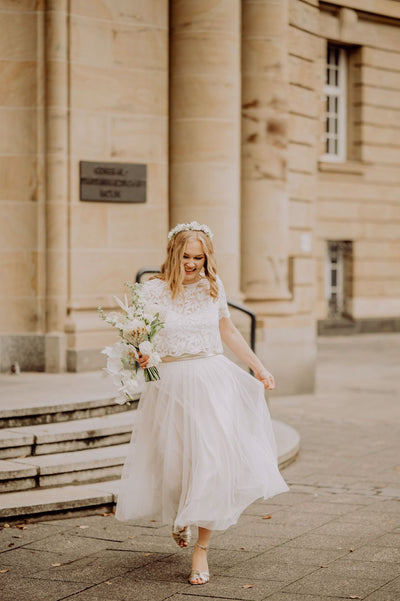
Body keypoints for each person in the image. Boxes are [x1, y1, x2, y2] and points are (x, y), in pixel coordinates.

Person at [115, 221, 289, 585]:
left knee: (212, 463)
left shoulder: (214, 287)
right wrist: (140, 355)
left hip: (212, 381)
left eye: (199, 257)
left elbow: (229, 331)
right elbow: (136, 337)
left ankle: (202, 551)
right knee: (176, 465)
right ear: (173, 253)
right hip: (170, 385)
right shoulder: (152, 291)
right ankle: (182, 514)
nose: (192, 264)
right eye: (186, 256)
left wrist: (258, 367)